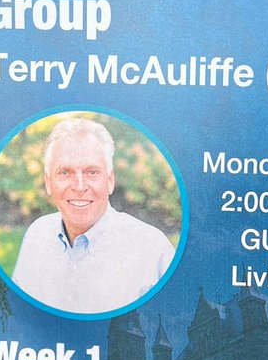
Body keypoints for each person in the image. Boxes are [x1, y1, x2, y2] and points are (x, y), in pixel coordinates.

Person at [11, 117, 176, 313]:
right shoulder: (36, 234)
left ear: (110, 180)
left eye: (91, 172)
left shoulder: (153, 250)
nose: (79, 187)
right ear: (48, 182)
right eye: (65, 172)